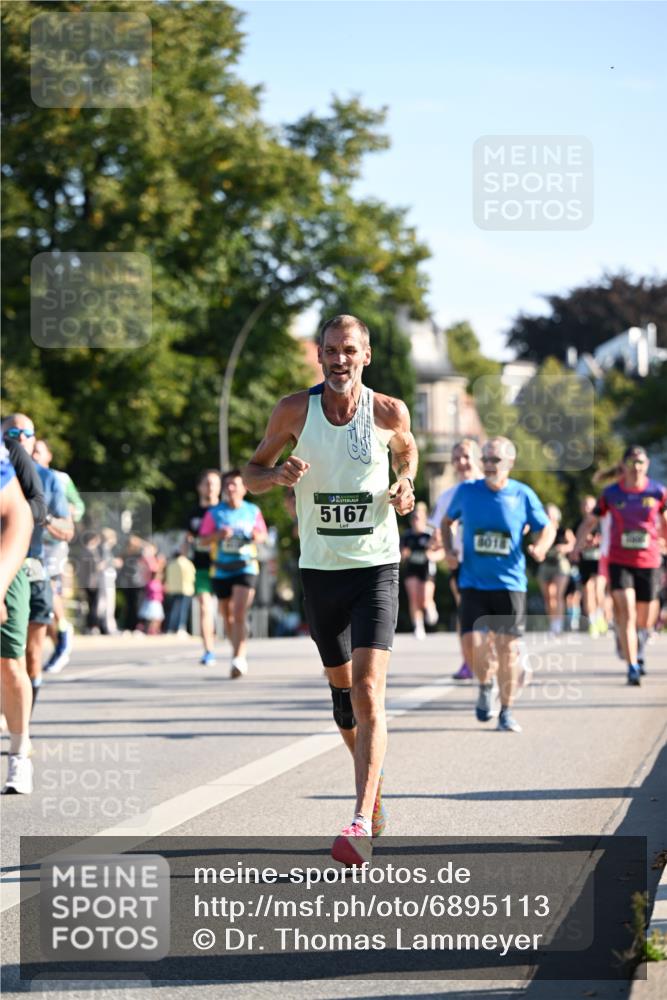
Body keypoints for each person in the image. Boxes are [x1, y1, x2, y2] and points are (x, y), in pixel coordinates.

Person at [242, 313, 417, 865]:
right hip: (320, 571)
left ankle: (361, 819)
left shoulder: (388, 410)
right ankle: (374, 786)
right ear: (319, 355)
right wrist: (276, 476)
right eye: (331, 350)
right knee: (344, 700)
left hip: (376, 567)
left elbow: (407, 451)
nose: (340, 359)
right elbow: (250, 473)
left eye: (349, 350)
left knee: (367, 689)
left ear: (366, 356)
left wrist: (406, 482)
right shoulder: (294, 410)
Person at [442, 436, 555, 734]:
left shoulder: (522, 494)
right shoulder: (467, 492)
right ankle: (484, 684)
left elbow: (547, 527)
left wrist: (541, 547)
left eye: (495, 460)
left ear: (510, 463)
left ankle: (506, 711)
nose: (489, 465)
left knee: (508, 650)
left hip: (510, 584)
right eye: (485, 460)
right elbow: (446, 522)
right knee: (473, 645)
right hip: (473, 582)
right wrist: (449, 551)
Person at [575, 445, 667, 685]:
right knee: (626, 611)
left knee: (645, 618)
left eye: (641, 462)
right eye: (632, 462)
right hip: (619, 560)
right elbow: (590, 521)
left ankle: (638, 642)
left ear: (647, 465)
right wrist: (577, 545)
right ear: (623, 465)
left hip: (649, 561)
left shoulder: (658, 492)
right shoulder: (611, 494)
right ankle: (632, 665)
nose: (636, 467)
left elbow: (665, 521)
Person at [1, 415, 73, 709]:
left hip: (32, 563)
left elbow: (68, 529)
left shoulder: (49, 479)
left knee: (30, 651)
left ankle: (23, 717)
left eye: (26, 433)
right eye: (12, 432)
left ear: (33, 439)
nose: (20, 437)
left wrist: (42, 516)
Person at [199, 470, 268, 678]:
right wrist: (218, 535)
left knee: (238, 612)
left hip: (246, 567)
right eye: (227, 484)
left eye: (234, 484)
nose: (230, 488)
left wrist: (256, 535)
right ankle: (238, 649)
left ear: (244, 488)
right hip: (221, 569)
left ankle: (238, 658)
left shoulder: (252, 510)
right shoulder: (214, 513)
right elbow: (202, 540)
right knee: (227, 615)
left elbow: (263, 535)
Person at [430, 438, 484, 679]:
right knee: (465, 610)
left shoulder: (492, 488)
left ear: (477, 458)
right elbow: (438, 529)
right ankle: (468, 661)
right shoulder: (449, 495)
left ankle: (491, 656)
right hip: (461, 562)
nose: (461, 462)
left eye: (465, 457)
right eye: (456, 459)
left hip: (491, 562)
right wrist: (444, 548)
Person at [33, 439, 85, 672]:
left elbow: (78, 506)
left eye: (39, 451)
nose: (34, 455)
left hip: (53, 543)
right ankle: (58, 640)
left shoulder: (60, 478)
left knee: (47, 586)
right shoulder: (20, 474)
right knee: (41, 597)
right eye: (32, 451)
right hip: (29, 543)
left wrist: (63, 511)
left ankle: (63, 633)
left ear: (49, 456)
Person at [1, 438, 34, 793]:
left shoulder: (10, 452)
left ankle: (19, 754)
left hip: (6, 568)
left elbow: (21, 514)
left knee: (10, 666)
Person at [186, 470, 222, 666]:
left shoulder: (225, 511)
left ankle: (237, 649)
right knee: (204, 607)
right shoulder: (193, 514)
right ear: (199, 487)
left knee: (227, 610)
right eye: (207, 483)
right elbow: (188, 538)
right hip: (201, 567)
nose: (211, 487)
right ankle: (208, 650)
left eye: (214, 483)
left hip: (225, 566)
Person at [400, 502, 442, 639]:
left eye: (418, 518)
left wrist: (433, 555)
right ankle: (418, 626)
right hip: (412, 569)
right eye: (414, 518)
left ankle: (430, 607)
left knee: (424, 599)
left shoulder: (429, 535)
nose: (415, 521)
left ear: (424, 520)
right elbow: (400, 555)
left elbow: (442, 551)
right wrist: (403, 555)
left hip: (426, 570)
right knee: (413, 598)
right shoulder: (407, 536)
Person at [536, 504, 575, 635]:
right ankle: (552, 622)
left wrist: (564, 548)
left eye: (550, 514)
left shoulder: (564, 531)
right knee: (548, 597)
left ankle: (558, 624)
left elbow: (574, 544)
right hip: (546, 564)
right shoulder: (540, 531)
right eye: (546, 513)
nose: (548, 516)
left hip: (560, 564)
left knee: (558, 595)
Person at [571, 495, 607, 637]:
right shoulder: (578, 524)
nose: (587, 508)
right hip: (585, 561)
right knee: (587, 590)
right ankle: (592, 621)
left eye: (590, 505)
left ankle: (600, 616)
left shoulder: (601, 522)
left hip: (599, 560)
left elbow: (608, 539)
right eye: (585, 505)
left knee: (598, 590)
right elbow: (575, 541)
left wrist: (597, 541)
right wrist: (582, 544)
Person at [164, 549, 195, 634]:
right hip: (186, 589)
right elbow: (192, 576)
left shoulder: (171, 564)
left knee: (174, 610)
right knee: (183, 610)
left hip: (173, 590)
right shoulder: (187, 563)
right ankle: (181, 627)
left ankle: (171, 628)